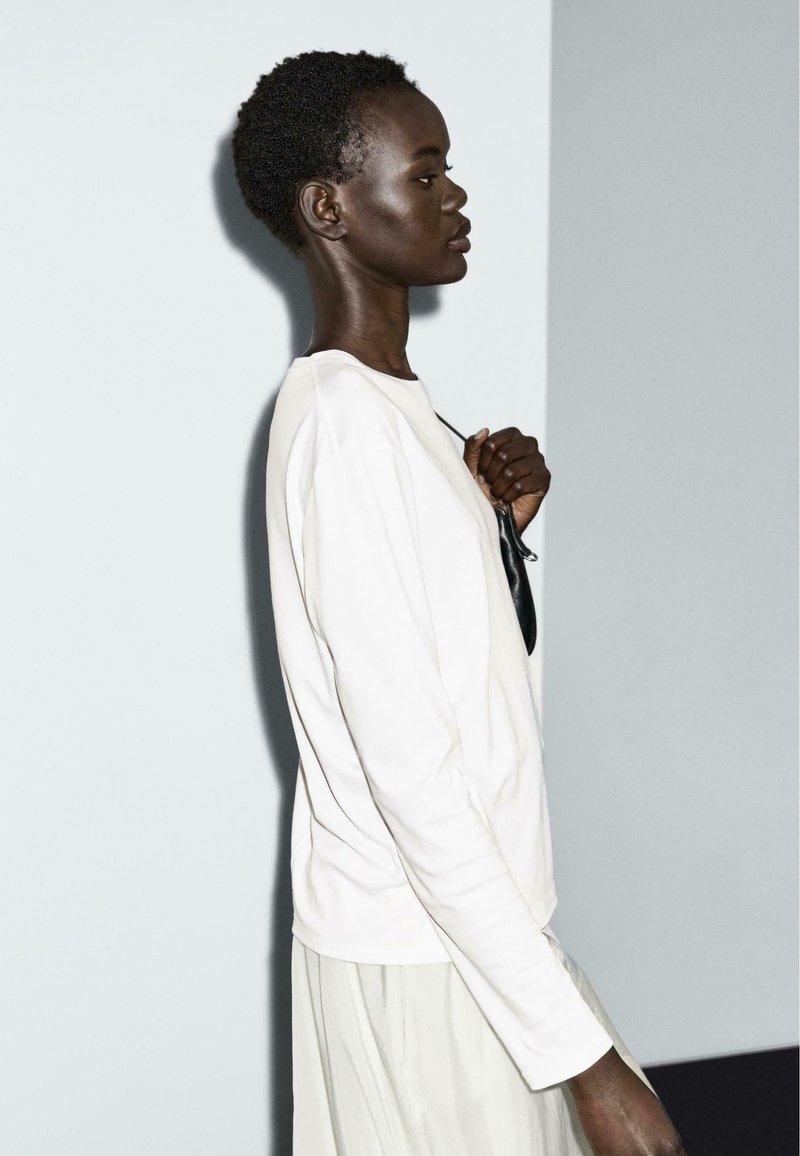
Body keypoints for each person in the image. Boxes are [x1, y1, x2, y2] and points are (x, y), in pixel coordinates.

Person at [232, 49, 686, 1156]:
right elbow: (413, 777)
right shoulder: (346, 428)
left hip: (468, 940)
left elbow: (472, 691)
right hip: (424, 962)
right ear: (329, 208)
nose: (456, 195)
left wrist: (504, 533)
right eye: (425, 174)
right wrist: (582, 1057)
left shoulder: (402, 418)